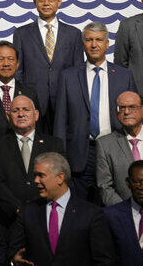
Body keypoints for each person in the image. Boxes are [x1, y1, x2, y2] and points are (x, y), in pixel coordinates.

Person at [8, 152, 115, 266]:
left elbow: (105, 263)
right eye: (35, 175)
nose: (35, 181)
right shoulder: (28, 211)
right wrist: (14, 261)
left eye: (41, 175)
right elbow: (12, 251)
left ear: (60, 177)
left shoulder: (91, 214)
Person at [54, 22, 135, 199]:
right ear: (83, 44)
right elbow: (60, 120)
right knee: (79, 206)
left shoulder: (124, 75)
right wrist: (61, 157)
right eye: (89, 40)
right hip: (80, 153)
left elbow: (133, 118)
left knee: (112, 204)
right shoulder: (68, 76)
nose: (94, 44)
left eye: (99, 40)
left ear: (107, 44)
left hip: (114, 149)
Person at [0, 94, 65, 228]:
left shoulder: (54, 145)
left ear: (36, 115)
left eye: (26, 109)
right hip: (8, 220)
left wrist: (39, 209)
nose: (21, 114)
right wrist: (17, 208)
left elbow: (61, 180)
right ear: (8, 117)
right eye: (15, 110)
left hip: (46, 216)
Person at [11, 0, 83, 128]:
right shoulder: (21, 33)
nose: (46, 3)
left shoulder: (73, 34)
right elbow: (18, 71)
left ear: (59, 2)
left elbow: (78, 70)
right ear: (34, 2)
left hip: (65, 101)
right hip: (33, 101)